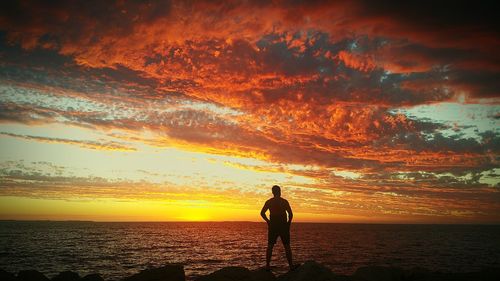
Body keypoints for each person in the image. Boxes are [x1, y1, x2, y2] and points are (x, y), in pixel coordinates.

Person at [260, 185, 296, 271]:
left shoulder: (269, 202)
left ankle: (267, 266)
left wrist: (268, 221)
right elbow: (290, 214)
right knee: (287, 245)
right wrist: (288, 224)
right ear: (279, 191)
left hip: (273, 225)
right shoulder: (284, 202)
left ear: (273, 192)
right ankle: (291, 266)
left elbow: (262, 213)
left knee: (270, 245)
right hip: (283, 225)